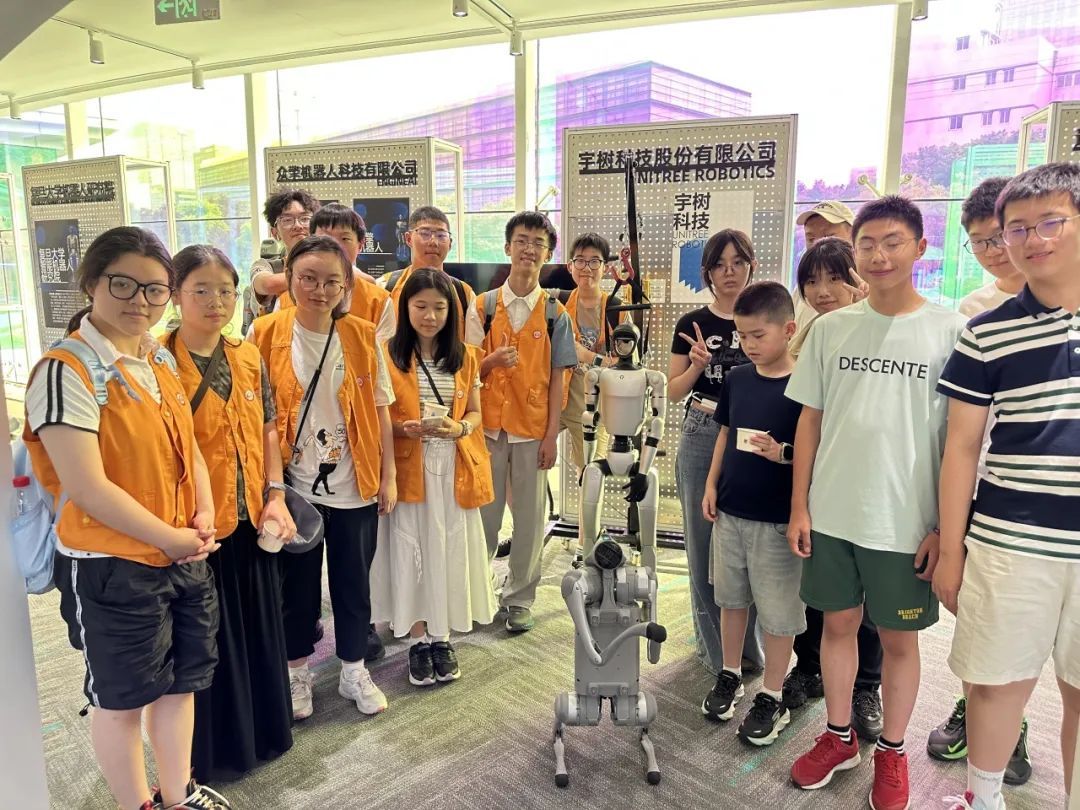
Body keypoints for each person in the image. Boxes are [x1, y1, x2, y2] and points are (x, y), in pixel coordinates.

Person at [23, 227, 229, 810]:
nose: (140, 301)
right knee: (122, 700)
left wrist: (204, 512)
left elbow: (188, 448)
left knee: (181, 684)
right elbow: (87, 487)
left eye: (155, 290)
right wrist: (172, 538)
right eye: (124, 284)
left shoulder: (157, 356)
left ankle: (178, 793)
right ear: (91, 283)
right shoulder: (65, 371)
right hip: (113, 565)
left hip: (181, 553)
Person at [785, 196, 966, 810]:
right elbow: (810, 421)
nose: (879, 255)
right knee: (837, 626)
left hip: (906, 520)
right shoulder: (831, 329)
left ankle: (892, 749)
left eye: (893, 242)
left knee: (898, 641)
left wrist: (946, 530)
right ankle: (839, 737)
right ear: (854, 251)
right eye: (867, 244)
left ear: (920, 248)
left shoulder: (951, 331)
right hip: (833, 513)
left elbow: (961, 442)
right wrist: (800, 507)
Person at [934, 162, 1080, 810]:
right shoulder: (985, 332)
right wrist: (952, 549)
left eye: (1051, 222)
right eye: (1017, 228)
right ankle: (983, 798)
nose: (1032, 239)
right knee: (994, 683)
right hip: (1009, 540)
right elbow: (961, 448)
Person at [250, 234, 397, 720]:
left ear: (346, 284)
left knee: (354, 585)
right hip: (294, 489)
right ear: (289, 278)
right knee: (296, 589)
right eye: (308, 278)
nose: (320, 290)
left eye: (332, 281)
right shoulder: (265, 333)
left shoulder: (361, 334)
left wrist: (388, 476)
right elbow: (258, 419)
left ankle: (354, 670)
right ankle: (298, 674)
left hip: (355, 485)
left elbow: (381, 409)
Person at [166, 245, 295, 782]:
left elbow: (268, 428)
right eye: (201, 290)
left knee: (260, 629)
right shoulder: (159, 362)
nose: (216, 301)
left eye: (226, 290)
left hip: (252, 520)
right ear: (175, 295)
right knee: (206, 641)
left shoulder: (247, 355)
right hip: (196, 528)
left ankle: (267, 733)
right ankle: (217, 751)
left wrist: (275, 492)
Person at [926, 176, 1032, 787]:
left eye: (1000, 236)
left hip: (1044, 499)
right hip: (983, 488)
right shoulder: (973, 311)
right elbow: (958, 430)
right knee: (980, 617)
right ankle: (980, 713)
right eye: (980, 242)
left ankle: (1015, 725)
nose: (995, 251)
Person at [371, 268, 497, 686]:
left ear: (451, 311)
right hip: (408, 466)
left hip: (454, 466)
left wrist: (458, 427)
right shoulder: (387, 355)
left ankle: (441, 637)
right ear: (405, 308)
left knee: (448, 549)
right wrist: (403, 428)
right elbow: (374, 418)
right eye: (420, 306)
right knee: (411, 550)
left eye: (439, 308)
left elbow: (475, 413)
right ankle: (417, 639)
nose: (429, 316)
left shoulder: (467, 356)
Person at [784, 237, 883, 742]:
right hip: (816, 480)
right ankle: (810, 668)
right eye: (811, 280)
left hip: (869, 486)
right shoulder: (809, 334)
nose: (822, 290)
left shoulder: (879, 331)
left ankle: (867, 686)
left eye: (834, 278)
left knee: (867, 602)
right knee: (819, 592)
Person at [464, 211, 578, 633]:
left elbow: (559, 378)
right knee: (483, 517)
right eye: (522, 241)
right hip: (486, 429)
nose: (529, 249)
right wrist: (489, 362)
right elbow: (464, 371)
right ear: (507, 247)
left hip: (532, 430)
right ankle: (478, 592)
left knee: (529, 519)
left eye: (538, 244)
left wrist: (551, 436)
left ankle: (519, 598)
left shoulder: (555, 313)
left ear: (547, 255)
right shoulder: (483, 306)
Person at [700, 281, 803, 745]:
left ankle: (773, 694)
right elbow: (724, 433)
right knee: (731, 599)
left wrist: (783, 454)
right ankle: (730, 673)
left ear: (788, 330)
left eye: (758, 335)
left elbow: (815, 452)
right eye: (742, 335)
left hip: (778, 520)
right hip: (731, 511)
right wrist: (711, 484)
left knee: (780, 614)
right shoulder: (738, 379)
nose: (749, 344)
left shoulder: (805, 384)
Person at [669, 229, 764, 692]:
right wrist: (696, 365)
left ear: (751, 266)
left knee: (754, 547)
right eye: (720, 265)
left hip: (754, 436)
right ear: (706, 272)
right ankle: (714, 652)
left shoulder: (764, 315)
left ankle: (750, 650)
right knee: (702, 545)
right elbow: (672, 392)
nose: (730, 273)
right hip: (703, 430)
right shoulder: (692, 321)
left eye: (738, 262)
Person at [557, 232, 622, 471]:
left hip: (595, 409)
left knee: (591, 474)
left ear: (605, 267)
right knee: (531, 460)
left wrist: (588, 356)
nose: (587, 268)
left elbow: (626, 367)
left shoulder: (616, 309)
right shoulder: (558, 304)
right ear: (570, 266)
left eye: (595, 261)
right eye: (580, 261)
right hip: (555, 402)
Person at [379, 205, 475, 341]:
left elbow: (471, 346)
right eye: (425, 234)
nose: (433, 242)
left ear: (450, 243)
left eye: (441, 235)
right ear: (408, 239)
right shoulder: (385, 287)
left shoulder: (464, 294)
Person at [247, 189, 321, 323]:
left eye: (305, 219)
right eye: (287, 220)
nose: (298, 226)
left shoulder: (331, 262)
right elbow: (267, 284)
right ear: (274, 232)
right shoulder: (266, 266)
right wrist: (326, 277)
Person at [956, 178, 1026, 318]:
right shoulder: (973, 308)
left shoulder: (1065, 296)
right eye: (978, 241)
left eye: (1000, 236)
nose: (991, 252)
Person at [793, 201, 855, 330]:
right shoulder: (800, 291)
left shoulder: (872, 289)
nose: (819, 244)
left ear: (853, 234)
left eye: (828, 236)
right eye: (811, 239)